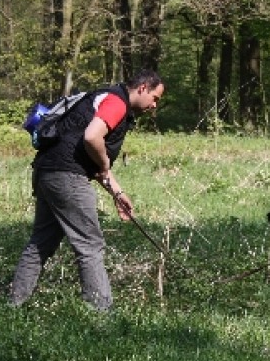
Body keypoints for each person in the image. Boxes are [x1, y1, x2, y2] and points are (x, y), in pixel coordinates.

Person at [10, 69, 165, 311]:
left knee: (41, 243)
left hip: (46, 172)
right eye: (155, 98)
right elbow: (92, 138)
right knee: (90, 245)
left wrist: (118, 193)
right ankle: (100, 313)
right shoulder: (116, 102)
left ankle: (14, 305)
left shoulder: (105, 97)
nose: (154, 105)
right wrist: (104, 163)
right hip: (67, 177)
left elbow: (92, 158)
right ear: (143, 88)